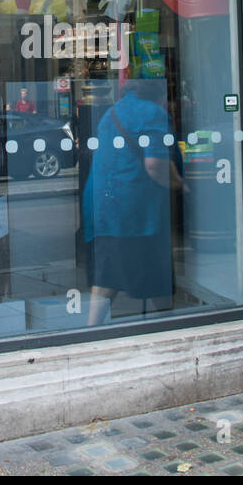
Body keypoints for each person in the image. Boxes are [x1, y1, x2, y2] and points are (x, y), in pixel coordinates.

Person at [82, 80, 182, 325]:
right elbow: (155, 165)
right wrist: (182, 185)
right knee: (152, 269)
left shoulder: (112, 112)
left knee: (109, 271)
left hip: (103, 204)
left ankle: (91, 328)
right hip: (133, 210)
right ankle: (171, 323)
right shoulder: (152, 113)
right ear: (158, 96)